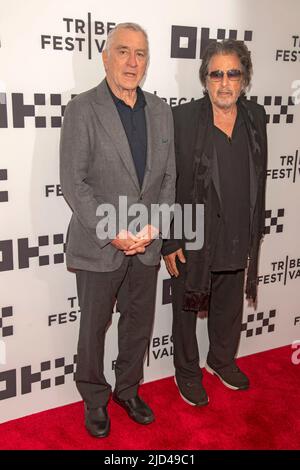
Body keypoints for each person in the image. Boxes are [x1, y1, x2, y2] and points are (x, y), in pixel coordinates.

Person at [60, 22, 175, 437]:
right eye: (122, 51)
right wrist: (112, 232)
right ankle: (94, 398)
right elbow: (75, 183)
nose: (131, 61)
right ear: (105, 57)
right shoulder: (82, 109)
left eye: (140, 53)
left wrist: (153, 227)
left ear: (147, 62)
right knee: (92, 327)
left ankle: (128, 389)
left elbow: (168, 180)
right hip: (99, 244)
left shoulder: (161, 110)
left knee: (138, 322)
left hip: (145, 243)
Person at [162, 39, 267, 406]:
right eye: (216, 74)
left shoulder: (257, 117)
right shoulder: (183, 119)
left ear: (245, 78)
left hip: (238, 229)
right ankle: (187, 372)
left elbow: (259, 177)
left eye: (232, 74)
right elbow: (168, 182)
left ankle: (221, 360)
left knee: (229, 304)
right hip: (193, 233)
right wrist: (171, 240)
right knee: (186, 310)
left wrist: (255, 230)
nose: (224, 83)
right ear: (205, 79)